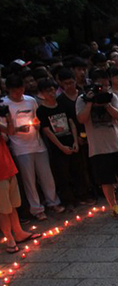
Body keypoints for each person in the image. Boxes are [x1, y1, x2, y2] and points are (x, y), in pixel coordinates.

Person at [76, 69, 118, 219]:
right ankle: (114, 206)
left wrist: (105, 104)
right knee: (106, 179)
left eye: (106, 85)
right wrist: (90, 102)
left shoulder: (111, 97)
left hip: (116, 143)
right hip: (98, 148)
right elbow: (81, 119)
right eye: (100, 86)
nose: (103, 89)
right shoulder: (82, 99)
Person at [1, 75, 64, 221]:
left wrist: (36, 125)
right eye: (15, 92)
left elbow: (37, 117)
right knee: (29, 179)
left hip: (37, 143)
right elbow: (5, 128)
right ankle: (36, 209)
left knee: (46, 175)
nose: (19, 94)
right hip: (20, 147)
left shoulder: (30, 100)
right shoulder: (4, 104)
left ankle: (53, 201)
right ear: (9, 90)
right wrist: (17, 129)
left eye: (21, 90)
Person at [36, 79, 81, 209]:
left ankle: (80, 195)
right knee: (63, 174)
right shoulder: (42, 110)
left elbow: (71, 122)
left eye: (52, 90)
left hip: (71, 141)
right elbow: (47, 130)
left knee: (76, 170)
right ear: (42, 93)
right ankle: (68, 200)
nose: (51, 93)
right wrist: (61, 147)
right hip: (57, 147)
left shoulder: (62, 104)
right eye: (47, 91)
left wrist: (75, 141)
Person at [0, 113, 40, 253]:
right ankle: (9, 238)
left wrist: (9, 119)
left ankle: (18, 232)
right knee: (3, 209)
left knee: (13, 205)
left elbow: (9, 132)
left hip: (8, 167)